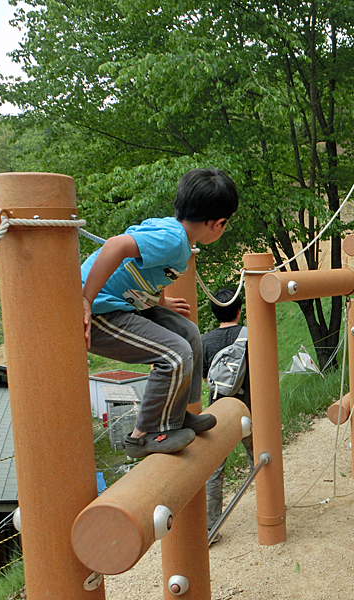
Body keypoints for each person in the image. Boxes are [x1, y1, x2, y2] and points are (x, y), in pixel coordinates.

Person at [82, 168, 239, 459]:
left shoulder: (177, 236)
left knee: (188, 332)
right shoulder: (172, 240)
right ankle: (144, 435)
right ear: (218, 224)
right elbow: (116, 246)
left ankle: (176, 415)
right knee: (174, 353)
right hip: (99, 311)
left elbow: (152, 271)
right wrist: (86, 299)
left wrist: (161, 301)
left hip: (120, 303)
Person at [202, 287, 255, 542]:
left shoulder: (204, 341)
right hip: (249, 409)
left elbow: (206, 378)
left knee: (213, 470)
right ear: (239, 309)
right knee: (260, 459)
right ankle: (270, 511)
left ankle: (210, 529)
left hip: (217, 413)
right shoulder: (251, 335)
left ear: (214, 313)